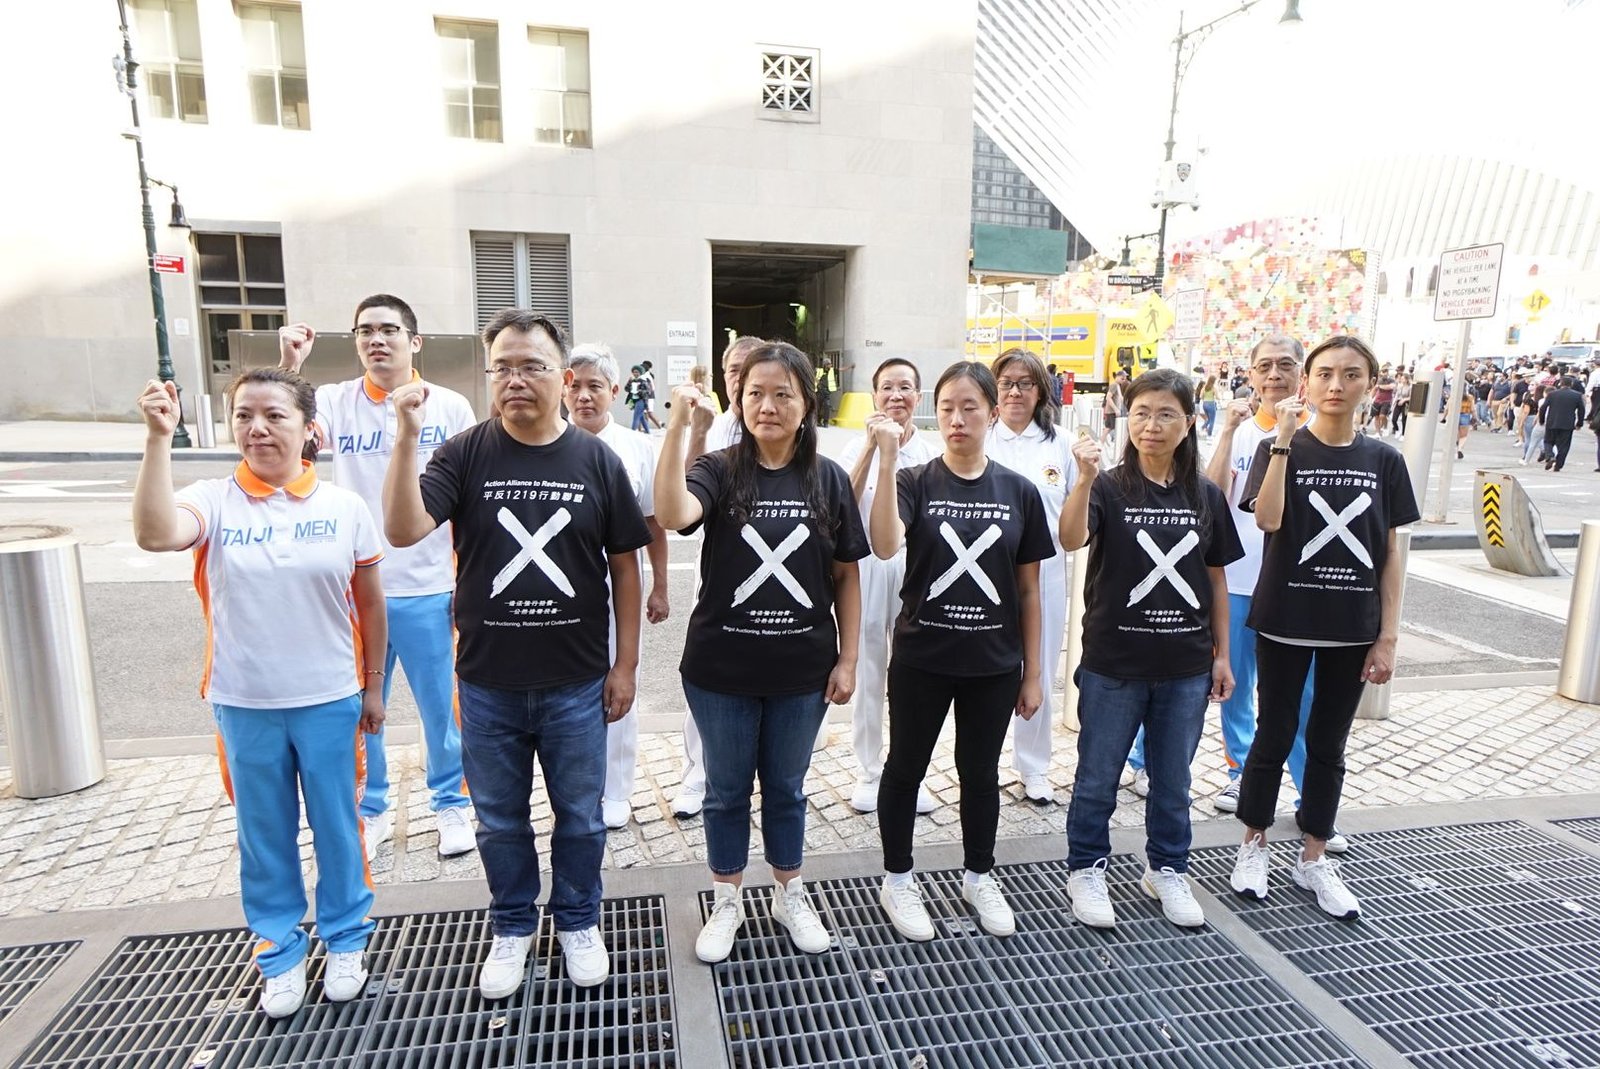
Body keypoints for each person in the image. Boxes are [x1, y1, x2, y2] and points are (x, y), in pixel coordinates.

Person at [383, 309, 652, 997]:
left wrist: (623, 665)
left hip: (575, 681)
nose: (514, 379)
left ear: (561, 377)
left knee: (582, 814)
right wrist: (407, 437)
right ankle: (510, 925)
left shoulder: (595, 460)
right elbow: (404, 526)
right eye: (501, 366)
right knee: (499, 819)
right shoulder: (467, 452)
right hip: (488, 681)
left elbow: (625, 563)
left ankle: (578, 919)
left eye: (530, 365)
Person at [133, 368, 385, 1018]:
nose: (257, 427)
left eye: (274, 415)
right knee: (263, 832)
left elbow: (370, 605)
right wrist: (159, 439)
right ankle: (279, 951)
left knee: (337, 824)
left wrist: (374, 687)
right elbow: (157, 533)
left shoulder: (343, 508)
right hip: (244, 703)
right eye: (245, 414)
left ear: (309, 430)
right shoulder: (214, 499)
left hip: (329, 698)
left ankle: (346, 939)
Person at [654, 341, 866, 964]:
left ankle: (788, 890)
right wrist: (676, 427)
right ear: (737, 401)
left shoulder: (826, 478)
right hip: (721, 669)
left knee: (787, 787)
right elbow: (671, 513)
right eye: (754, 394)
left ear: (807, 404)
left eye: (782, 394)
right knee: (724, 790)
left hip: (802, 670)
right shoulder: (718, 469)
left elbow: (847, 575)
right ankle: (726, 897)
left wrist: (848, 658)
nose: (767, 406)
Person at [277, 297, 476, 863]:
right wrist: (293, 363)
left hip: (430, 586)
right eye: (366, 331)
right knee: (364, 706)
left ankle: (450, 802)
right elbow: (293, 441)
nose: (377, 340)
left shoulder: (452, 406)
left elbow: (469, 497)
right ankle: (374, 805)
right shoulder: (337, 401)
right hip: (359, 590)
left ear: (415, 342)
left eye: (390, 330)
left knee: (444, 708)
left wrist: (467, 575)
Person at [1230, 335, 1419, 921]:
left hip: (1351, 626)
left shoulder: (1384, 460)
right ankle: (1253, 843)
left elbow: (1391, 552)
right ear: (1307, 383)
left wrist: (1387, 635)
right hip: (1286, 617)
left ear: (1370, 384)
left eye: (1352, 375)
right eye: (1326, 374)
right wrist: (1284, 442)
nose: (1337, 386)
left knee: (1330, 744)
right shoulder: (1277, 445)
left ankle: (1314, 855)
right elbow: (1265, 518)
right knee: (1273, 734)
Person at [871, 361, 1054, 942]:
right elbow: (881, 544)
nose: (956, 418)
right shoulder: (914, 481)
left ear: (992, 413)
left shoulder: (1019, 491)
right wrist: (882, 460)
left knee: (979, 773)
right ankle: (897, 878)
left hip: (993, 664)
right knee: (905, 768)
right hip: (923, 655)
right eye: (946, 407)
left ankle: (979, 875)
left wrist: (1033, 673)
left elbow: (1029, 589)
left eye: (970, 407)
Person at [1058, 368, 1240, 929]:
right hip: (1114, 662)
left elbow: (1215, 581)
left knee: (1174, 780)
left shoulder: (1205, 494)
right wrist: (1084, 479)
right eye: (1140, 413)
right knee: (1097, 776)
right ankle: (1086, 868)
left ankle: (1167, 868)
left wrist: (1222, 655)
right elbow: (1069, 539)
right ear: (1125, 419)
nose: (1152, 426)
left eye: (1166, 414)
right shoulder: (1109, 487)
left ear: (1189, 424)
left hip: (1184, 664)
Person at [565, 343, 672, 829]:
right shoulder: (550, 439)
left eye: (594, 387)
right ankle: (573, 785)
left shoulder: (636, 448)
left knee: (620, 679)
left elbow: (653, 522)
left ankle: (616, 788)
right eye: (575, 386)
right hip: (562, 587)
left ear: (614, 391)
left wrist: (661, 586)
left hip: (619, 588)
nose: (584, 396)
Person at [837, 358, 940, 814]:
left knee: (915, 675)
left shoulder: (934, 449)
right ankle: (869, 770)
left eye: (905, 388)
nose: (896, 396)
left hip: (919, 567)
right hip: (868, 568)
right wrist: (870, 447)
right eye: (886, 388)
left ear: (918, 397)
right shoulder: (852, 447)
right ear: (874, 395)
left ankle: (910, 770)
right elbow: (842, 504)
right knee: (869, 668)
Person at [672, 333, 765, 819]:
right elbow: (685, 507)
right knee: (705, 677)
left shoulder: (782, 422)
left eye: (752, 368)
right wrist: (696, 432)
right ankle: (698, 772)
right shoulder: (715, 424)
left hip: (774, 584)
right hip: (717, 577)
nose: (743, 377)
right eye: (734, 370)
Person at [985, 348, 1078, 803]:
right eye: (1006, 383)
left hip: (1045, 572)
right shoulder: (984, 438)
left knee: (1038, 665)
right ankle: (980, 758)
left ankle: (1034, 765)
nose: (1015, 391)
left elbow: (1079, 509)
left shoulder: (1061, 443)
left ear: (1040, 390)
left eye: (1025, 383)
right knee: (986, 668)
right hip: (987, 574)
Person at [1539, 375, 1586, 472]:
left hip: (1552, 422)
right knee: (1564, 445)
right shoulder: (1577, 395)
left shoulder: (1552, 394)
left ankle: (1550, 456)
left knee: (1548, 441)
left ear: (1560, 383)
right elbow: (1581, 410)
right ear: (1571, 384)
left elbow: (1543, 408)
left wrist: (1542, 420)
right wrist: (1579, 423)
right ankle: (1558, 465)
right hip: (1567, 424)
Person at [1101, 370, 1128, 449]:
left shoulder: (1117, 386)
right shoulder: (1114, 385)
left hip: (1112, 411)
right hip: (1111, 411)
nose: (1124, 380)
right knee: (1112, 428)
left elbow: (1120, 398)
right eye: (1122, 378)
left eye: (1125, 379)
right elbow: (1108, 398)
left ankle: (1101, 443)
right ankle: (1104, 443)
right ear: (1117, 377)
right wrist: (1116, 409)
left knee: (1109, 428)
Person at [1369, 366, 1396, 437]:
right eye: (1383, 372)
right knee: (1376, 417)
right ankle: (1378, 432)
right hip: (1377, 400)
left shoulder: (1391, 380)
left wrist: (1380, 386)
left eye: (1385, 371)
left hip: (1387, 401)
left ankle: (1385, 428)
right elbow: (1374, 389)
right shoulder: (1379, 380)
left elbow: (1391, 387)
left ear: (1387, 373)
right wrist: (1370, 399)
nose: (1384, 373)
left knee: (1382, 416)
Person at [625, 365, 651, 433]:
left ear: (640, 373)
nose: (635, 373)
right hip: (634, 400)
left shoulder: (643, 381)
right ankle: (648, 431)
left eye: (637, 372)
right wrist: (629, 382)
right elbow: (626, 389)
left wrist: (638, 391)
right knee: (641, 417)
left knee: (636, 416)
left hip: (641, 400)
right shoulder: (632, 380)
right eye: (634, 372)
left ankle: (632, 432)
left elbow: (648, 392)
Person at [1199, 372, 1219, 438]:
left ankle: (1202, 427)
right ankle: (1209, 434)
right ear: (1214, 381)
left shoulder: (1204, 387)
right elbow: (1217, 397)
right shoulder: (1213, 388)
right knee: (1212, 420)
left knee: (1208, 419)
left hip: (1204, 404)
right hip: (1211, 404)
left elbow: (1201, 396)